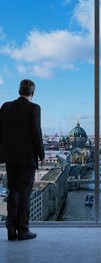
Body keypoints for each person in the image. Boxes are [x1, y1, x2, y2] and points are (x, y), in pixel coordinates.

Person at [0, 79, 45, 241]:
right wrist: (41, 153)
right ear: (32, 93)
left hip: (10, 156)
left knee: (13, 191)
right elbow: (36, 132)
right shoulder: (34, 108)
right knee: (25, 193)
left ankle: (11, 229)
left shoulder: (5, 106)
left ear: (19, 90)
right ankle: (23, 230)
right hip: (27, 157)